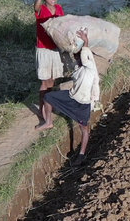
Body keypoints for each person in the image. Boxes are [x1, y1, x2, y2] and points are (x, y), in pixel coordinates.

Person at [35, 27, 100, 165]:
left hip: (83, 104)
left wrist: (86, 42)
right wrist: (84, 41)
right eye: (76, 58)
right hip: (72, 97)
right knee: (48, 97)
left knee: (85, 129)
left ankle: (81, 154)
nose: (77, 60)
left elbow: (85, 54)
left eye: (77, 57)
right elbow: (82, 55)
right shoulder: (79, 68)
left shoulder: (89, 68)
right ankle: (48, 122)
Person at [34, 0, 65, 124]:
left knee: (52, 80)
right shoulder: (41, 9)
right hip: (44, 49)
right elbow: (36, 6)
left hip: (55, 48)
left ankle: (48, 107)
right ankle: (42, 109)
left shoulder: (59, 8)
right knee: (45, 81)